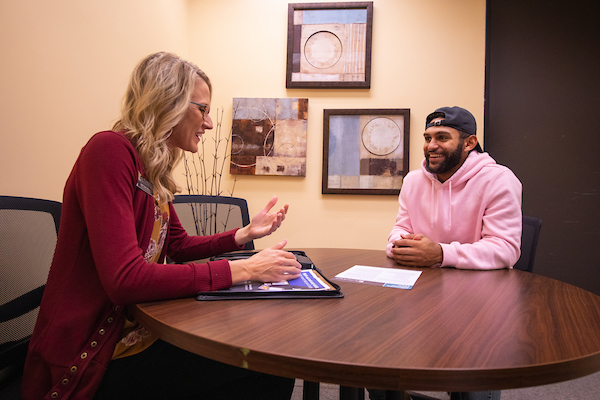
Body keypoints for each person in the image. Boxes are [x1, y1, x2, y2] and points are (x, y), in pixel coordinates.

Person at [21, 52, 301, 400]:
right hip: (94, 354)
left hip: (136, 330)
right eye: (202, 109)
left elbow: (178, 246)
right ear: (169, 102)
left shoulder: (150, 170)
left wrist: (242, 235)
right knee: (266, 365)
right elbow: (125, 280)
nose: (209, 123)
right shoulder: (108, 152)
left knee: (262, 351)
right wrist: (242, 269)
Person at [370, 106, 522, 400]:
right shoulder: (414, 180)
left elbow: (505, 249)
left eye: (442, 137)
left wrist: (439, 254)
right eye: (427, 138)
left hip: (479, 305)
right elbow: (399, 228)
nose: (431, 146)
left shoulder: (499, 180)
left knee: (471, 382)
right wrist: (400, 245)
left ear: (469, 143)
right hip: (420, 298)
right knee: (374, 359)